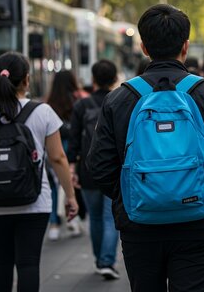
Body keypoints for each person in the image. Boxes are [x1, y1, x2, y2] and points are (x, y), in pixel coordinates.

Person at [87, 4, 204, 291]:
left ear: (144, 47)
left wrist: (132, 194)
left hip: (139, 223)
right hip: (198, 222)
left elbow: (98, 166)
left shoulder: (119, 99)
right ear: (185, 46)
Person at [0, 52, 78, 292]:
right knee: (28, 264)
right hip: (35, 202)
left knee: (1, 262)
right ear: (27, 80)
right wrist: (70, 196)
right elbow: (58, 158)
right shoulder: (42, 112)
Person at [67, 60, 121, 280]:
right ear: (115, 78)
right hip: (115, 168)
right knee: (110, 218)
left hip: (88, 169)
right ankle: (108, 261)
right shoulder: (119, 101)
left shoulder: (82, 105)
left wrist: (73, 168)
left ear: (94, 79)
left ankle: (100, 259)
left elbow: (74, 140)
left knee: (95, 218)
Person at [45, 71, 85, 241]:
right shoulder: (77, 100)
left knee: (54, 185)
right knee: (69, 183)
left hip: (52, 145)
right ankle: (73, 219)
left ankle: (54, 224)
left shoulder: (49, 102)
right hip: (71, 145)